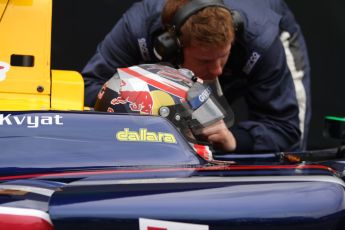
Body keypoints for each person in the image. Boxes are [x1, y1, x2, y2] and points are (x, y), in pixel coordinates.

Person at [82, 0, 311, 153]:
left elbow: (285, 129)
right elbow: (90, 88)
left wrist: (234, 140)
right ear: (171, 49)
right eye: (205, 61)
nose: (217, 70)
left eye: (224, 56)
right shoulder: (138, 27)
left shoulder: (261, 40)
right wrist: (148, 104)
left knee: (294, 150)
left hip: (265, 29)